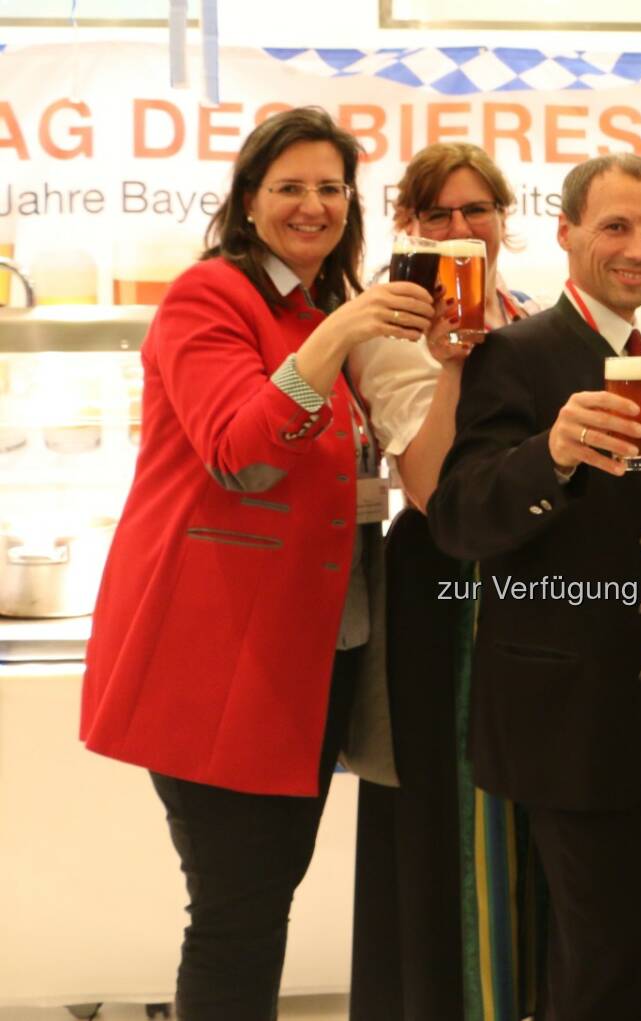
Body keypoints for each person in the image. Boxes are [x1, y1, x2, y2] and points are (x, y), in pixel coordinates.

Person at [80, 107, 439, 1019]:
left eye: (329, 188)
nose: (312, 206)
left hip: (311, 659)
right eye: (289, 187)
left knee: (261, 900)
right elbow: (244, 454)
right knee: (236, 916)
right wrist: (339, 334)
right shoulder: (212, 297)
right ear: (247, 201)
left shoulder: (319, 307)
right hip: (219, 659)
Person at [427, 153, 641, 1021]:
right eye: (617, 226)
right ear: (565, 233)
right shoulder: (520, 355)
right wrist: (550, 455)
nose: (640, 248)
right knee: (599, 964)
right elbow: (457, 517)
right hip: (577, 718)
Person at [345, 142, 539, 1021]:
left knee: (524, 804)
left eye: (477, 211)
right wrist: (456, 359)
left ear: (504, 219)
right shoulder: (384, 334)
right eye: (438, 215)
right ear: (409, 229)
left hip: (526, 575)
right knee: (444, 817)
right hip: (443, 581)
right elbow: (428, 488)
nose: (461, 229)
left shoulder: (529, 313)